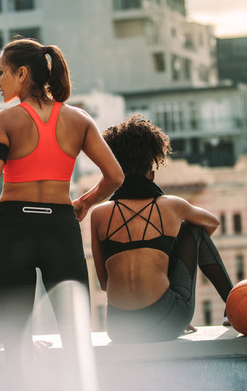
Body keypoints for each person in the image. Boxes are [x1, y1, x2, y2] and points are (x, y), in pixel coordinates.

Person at [0, 37, 123, 387]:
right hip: (60, 226)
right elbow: (115, 176)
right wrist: (85, 202)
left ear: (22, 73)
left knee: (16, 342)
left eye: (1, 73)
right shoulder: (79, 119)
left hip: (14, 227)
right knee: (76, 341)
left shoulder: (3, 121)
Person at [90, 115, 234, 343]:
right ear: (152, 174)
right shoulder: (173, 206)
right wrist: (170, 252)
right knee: (193, 229)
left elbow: (105, 283)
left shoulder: (98, 214)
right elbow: (211, 222)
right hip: (166, 321)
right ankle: (233, 307)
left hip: (119, 329)